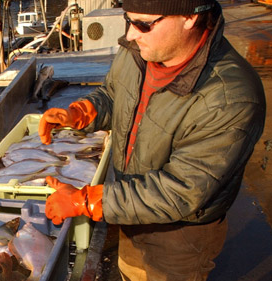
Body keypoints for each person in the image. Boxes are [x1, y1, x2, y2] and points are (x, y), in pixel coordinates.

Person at [39, 0, 266, 280]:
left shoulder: (230, 97)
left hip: (179, 234)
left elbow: (181, 191)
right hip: (126, 204)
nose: (131, 34)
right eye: (128, 20)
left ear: (188, 18)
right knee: (130, 272)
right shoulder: (139, 48)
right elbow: (114, 92)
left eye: (143, 24)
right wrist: (81, 112)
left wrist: (86, 202)